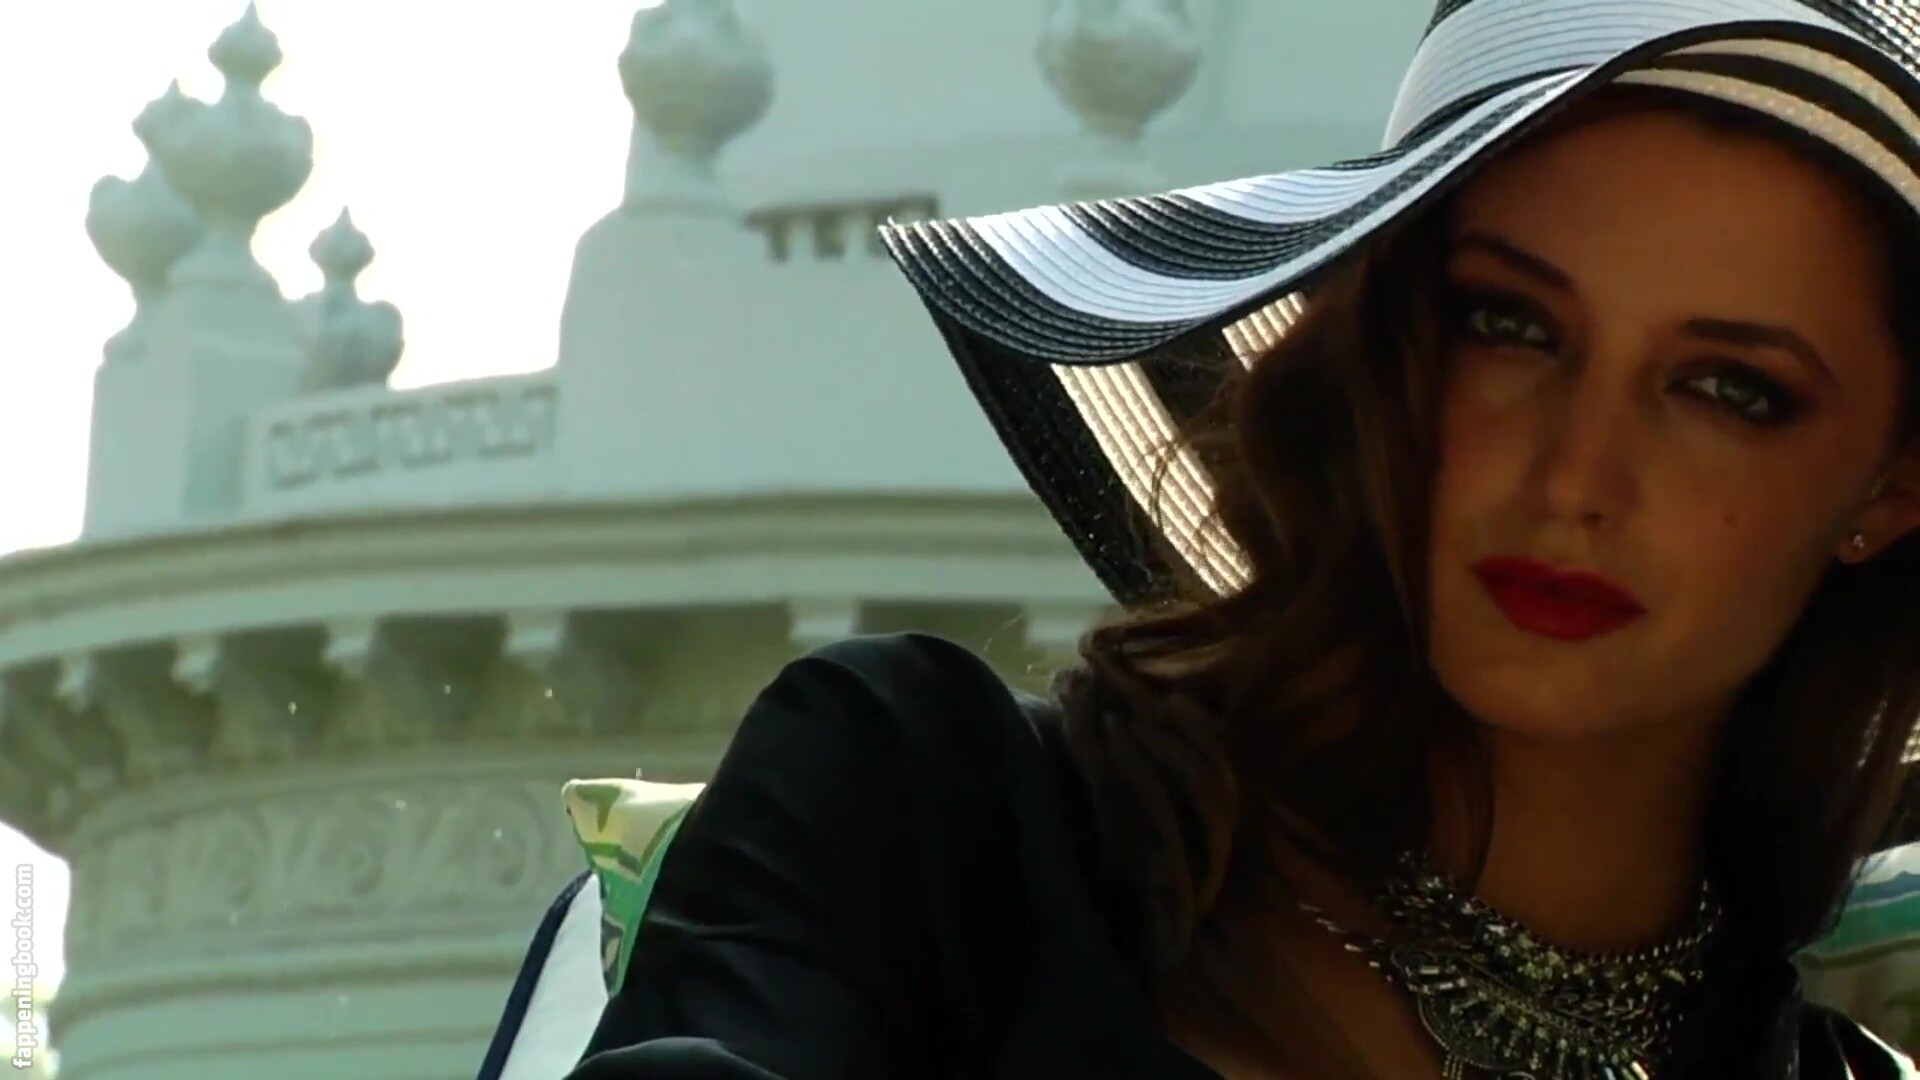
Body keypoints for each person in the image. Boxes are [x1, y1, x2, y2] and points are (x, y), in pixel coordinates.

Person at [566, 2, 1920, 1077]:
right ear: (1386, 343)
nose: (1579, 477)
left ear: (1890, 487)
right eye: (1509, 325)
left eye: (1730, 390)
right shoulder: (933, 825)